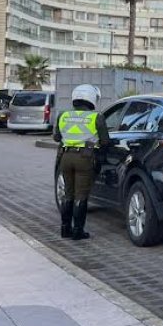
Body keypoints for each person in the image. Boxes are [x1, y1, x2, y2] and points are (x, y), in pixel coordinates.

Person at [53, 84, 111, 240]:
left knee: (68, 194)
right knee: (81, 196)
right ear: (91, 99)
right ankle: (78, 231)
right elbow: (105, 141)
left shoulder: (63, 115)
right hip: (85, 158)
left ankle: (65, 229)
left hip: (65, 157)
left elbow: (57, 138)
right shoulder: (96, 117)